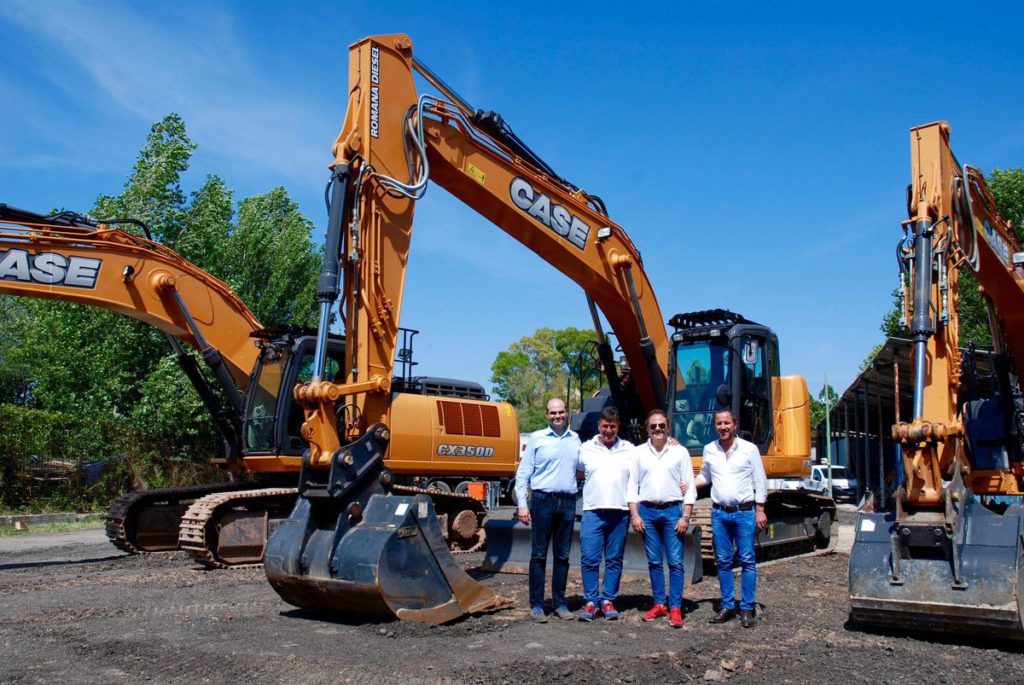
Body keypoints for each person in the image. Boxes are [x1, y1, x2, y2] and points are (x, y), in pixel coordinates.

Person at [696, 408, 768, 629]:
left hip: (744, 512)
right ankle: (727, 605)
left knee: (747, 560)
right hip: (719, 513)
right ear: (715, 426)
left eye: (727, 423)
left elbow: (759, 480)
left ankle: (747, 608)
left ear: (734, 424)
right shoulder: (710, 450)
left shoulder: (749, 449)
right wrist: (684, 483)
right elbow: (704, 477)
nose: (723, 427)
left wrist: (760, 509)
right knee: (723, 561)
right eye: (719, 424)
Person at [626, 409, 696, 629]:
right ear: (647, 429)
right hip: (647, 512)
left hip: (672, 512)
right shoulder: (638, 453)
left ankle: (675, 607)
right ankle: (659, 604)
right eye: (653, 426)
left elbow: (690, 486)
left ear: (668, 428)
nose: (658, 429)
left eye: (661, 426)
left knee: (675, 562)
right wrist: (635, 514)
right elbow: (632, 486)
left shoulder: (680, 452)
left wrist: (686, 515)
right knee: (655, 562)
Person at [515, 398, 581, 623]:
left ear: (567, 413)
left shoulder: (576, 439)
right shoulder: (537, 438)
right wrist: (523, 505)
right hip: (543, 500)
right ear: (546, 415)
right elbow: (523, 473)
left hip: (568, 502)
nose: (557, 416)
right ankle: (536, 605)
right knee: (539, 555)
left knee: (562, 556)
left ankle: (560, 603)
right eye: (553, 413)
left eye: (561, 412)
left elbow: (587, 465)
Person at [575, 406, 633, 622]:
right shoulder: (586, 449)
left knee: (614, 560)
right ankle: (591, 602)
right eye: (605, 426)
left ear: (618, 427)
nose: (608, 430)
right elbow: (576, 470)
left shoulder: (629, 449)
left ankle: (608, 599)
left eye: (613, 427)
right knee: (589, 559)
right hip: (593, 512)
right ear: (599, 425)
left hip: (620, 512)